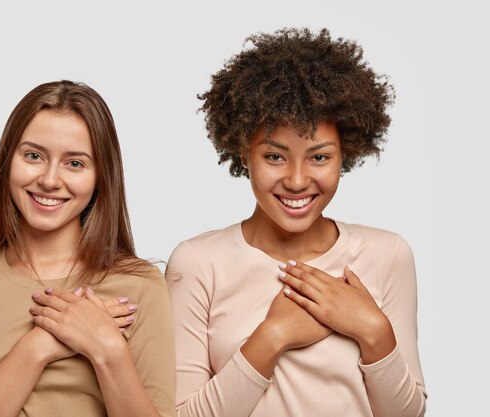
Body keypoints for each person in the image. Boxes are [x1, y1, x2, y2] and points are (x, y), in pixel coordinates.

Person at [165, 28, 427, 417]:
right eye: (275, 156)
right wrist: (273, 336)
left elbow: (407, 414)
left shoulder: (387, 254)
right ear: (243, 151)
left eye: (319, 157)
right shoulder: (197, 262)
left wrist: (373, 330)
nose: (298, 180)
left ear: (345, 154)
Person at [0, 80, 175, 417]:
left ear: (101, 177)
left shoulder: (140, 286)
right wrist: (38, 347)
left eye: (75, 163)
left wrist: (107, 348)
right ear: (8, 162)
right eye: (34, 156)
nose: (50, 180)